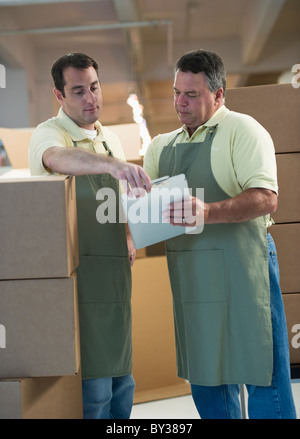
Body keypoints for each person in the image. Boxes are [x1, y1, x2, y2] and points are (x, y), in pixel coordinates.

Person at [143, 49, 296, 419]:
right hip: (193, 275)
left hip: (244, 268)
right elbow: (147, 214)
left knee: (261, 367)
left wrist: (207, 211)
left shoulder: (243, 131)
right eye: (177, 92)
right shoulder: (160, 146)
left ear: (219, 94)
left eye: (192, 94)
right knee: (205, 372)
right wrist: (132, 230)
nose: (181, 102)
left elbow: (266, 198)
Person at [29, 52, 151, 419]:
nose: (90, 98)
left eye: (94, 87)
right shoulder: (50, 133)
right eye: (78, 90)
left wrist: (128, 235)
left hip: (114, 278)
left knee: (122, 387)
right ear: (59, 95)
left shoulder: (110, 138)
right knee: (94, 393)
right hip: (78, 279)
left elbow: (116, 200)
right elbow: (56, 158)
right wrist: (114, 166)